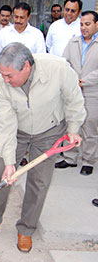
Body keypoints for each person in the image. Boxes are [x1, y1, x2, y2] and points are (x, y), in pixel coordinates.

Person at [0, 43, 85, 252]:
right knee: (2, 177)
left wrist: (73, 128)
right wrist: (9, 162)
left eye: (9, 75)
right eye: (2, 74)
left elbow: (74, 100)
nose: (5, 80)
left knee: (39, 181)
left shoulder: (58, 69)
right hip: (18, 130)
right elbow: (5, 125)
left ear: (26, 66)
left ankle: (26, 228)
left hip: (49, 130)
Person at [55, 11, 98, 174]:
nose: (83, 28)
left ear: (96, 25)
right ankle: (69, 157)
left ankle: (88, 160)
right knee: (71, 123)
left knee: (90, 127)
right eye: (81, 24)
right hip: (72, 91)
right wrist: (71, 80)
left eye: (87, 24)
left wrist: (84, 81)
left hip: (93, 91)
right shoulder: (73, 42)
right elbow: (64, 63)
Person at [0, 3, 46, 74]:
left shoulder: (37, 34)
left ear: (28, 17)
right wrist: (1, 76)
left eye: (22, 18)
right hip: (5, 78)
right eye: (16, 17)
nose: (18, 20)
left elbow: (41, 59)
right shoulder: (4, 33)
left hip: (29, 80)